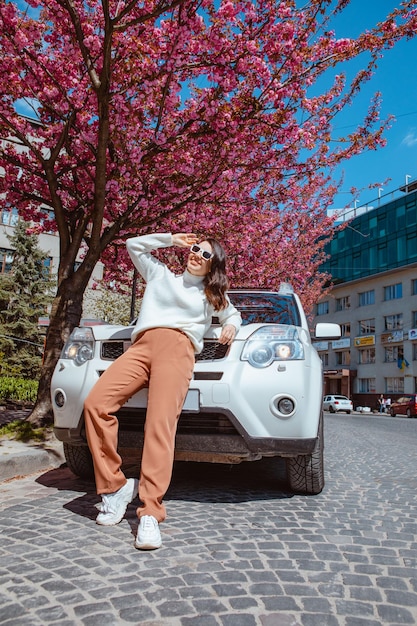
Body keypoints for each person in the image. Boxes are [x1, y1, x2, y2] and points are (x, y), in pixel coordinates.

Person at [83, 232, 242, 550]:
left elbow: (233, 315)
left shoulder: (211, 295)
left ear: (214, 265)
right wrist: (171, 239)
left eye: (206, 254)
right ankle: (115, 488)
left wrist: (230, 326)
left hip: (178, 349)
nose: (197, 255)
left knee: (159, 426)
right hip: (141, 347)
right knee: (96, 404)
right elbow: (133, 246)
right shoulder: (159, 275)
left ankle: (150, 513)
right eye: (196, 249)